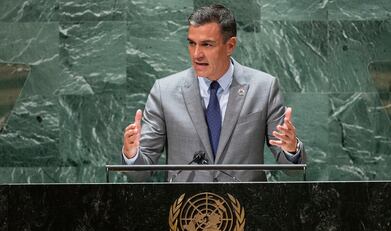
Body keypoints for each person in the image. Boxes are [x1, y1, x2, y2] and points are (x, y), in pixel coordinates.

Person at [122, 4, 306, 182]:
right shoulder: (164, 91)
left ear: (230, 45)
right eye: (192, 43)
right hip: (186, 209)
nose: (196, 54)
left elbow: (292, 170)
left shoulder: (263, 88)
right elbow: (139, 173)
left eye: (207, 45)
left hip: (246, 207)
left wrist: (291, 150)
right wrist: (132, 154)